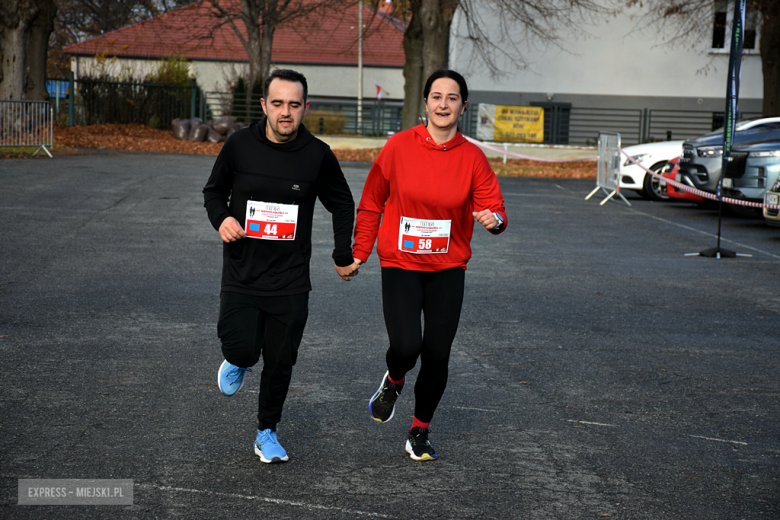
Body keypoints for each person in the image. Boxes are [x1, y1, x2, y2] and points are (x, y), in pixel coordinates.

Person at [203, 69, 360, 464]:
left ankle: (266, 431)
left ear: (305, 107)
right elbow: (214, 192)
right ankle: (239, 360)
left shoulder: (317, 154)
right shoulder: (239, 145)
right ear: (264, 105)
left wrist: (342, 255)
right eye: (277, 103)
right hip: (241, 272)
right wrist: (222, 218)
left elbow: (342, 203)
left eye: (293, 104)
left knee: (280, 362)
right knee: (242, 348)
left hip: (290, 279)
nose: (285, 112)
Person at [352, 69, 507, 461]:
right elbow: (371, 202)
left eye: (452, 98)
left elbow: (495, 208)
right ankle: (394, 380)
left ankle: (419, 430)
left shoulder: (472, 157)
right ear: (425, 103)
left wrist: (494, 220)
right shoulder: (398, 147)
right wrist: (359, 251)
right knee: (407, 346)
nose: (443, 104)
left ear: (463, 106)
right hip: (401, 263)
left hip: (447, 268)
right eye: (436, 96)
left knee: (437, 354)